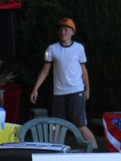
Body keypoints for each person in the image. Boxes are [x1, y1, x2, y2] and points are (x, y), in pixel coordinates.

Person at [30, 18, 98, 150]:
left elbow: (84, 71)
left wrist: (87, 89)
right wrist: (35, 89)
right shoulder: (52, 49)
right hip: (59, 92)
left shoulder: (79, 48)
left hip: (76, 90)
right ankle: (54, 152)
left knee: (80, 124)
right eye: (61, 29)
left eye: (66, 29)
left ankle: (95, 150)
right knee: (56, 125)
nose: (63, 32)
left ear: (72, 32)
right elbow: (45, 70)